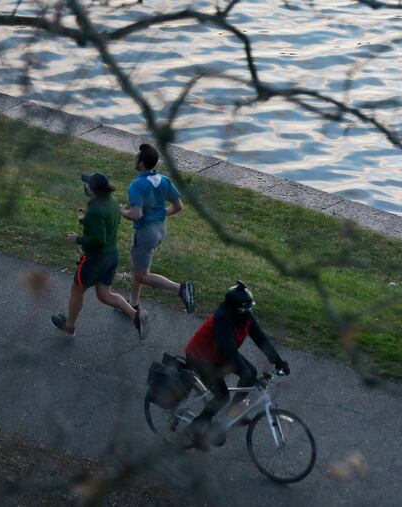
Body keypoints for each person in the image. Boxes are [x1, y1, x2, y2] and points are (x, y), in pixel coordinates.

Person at [184, 281, 289, 445]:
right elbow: (230, 351)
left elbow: (260, 338)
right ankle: (194, 427)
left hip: (220, 356)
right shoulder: (222, 320)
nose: (248, 312)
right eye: (244, 309)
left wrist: (278, 361)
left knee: (251, 373)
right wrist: (245, 372)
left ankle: (231, 416)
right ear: (233, 309)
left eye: (249, 308)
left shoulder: (245, 318)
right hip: (201, 357)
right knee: (222, 396)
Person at [51, 172, 145, 337]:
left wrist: (78, 239)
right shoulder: (113, 202)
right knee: (105, 294)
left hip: (95, 260)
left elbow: (99, 240)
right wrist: (87, 221)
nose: (86, 186)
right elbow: (110, 223)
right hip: (111, 256)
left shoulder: (95, 209)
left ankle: (69, 326)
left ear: (93, 190)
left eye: (88, 184)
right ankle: (135, 315)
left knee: (77, 291)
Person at [119, 143, 194, 313]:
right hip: (160, 229)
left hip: (145, 232)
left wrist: (123, 211)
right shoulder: (164, 181)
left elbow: (136, 214)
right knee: (141, 267)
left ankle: (181, 289)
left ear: (141, 163)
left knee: (141, 275)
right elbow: (178, 206)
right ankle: (133, 303)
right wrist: (161, 214)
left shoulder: (137, 185)